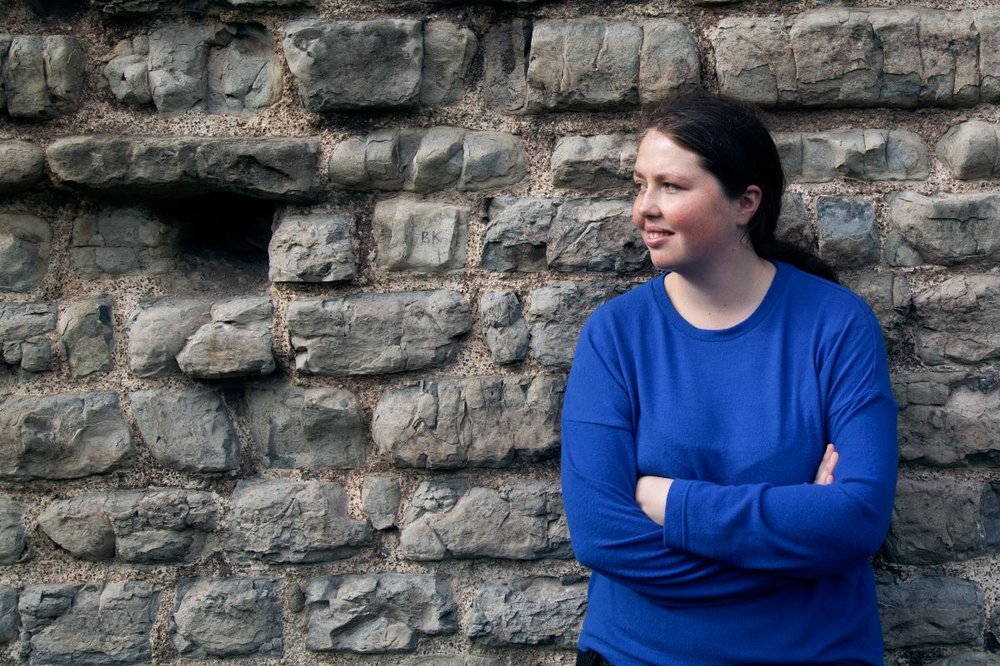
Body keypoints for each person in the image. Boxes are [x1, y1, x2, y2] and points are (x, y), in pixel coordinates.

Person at [560, 92, 898, 666]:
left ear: (745, 203)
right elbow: (600, 534)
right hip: (639, 655)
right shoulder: (616, 335)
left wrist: (672, 502)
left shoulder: (836, 325)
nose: (645, 207)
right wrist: (795, 553)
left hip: (814, 655)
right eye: (641, 184)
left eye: (672, 186)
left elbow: (858, 518)